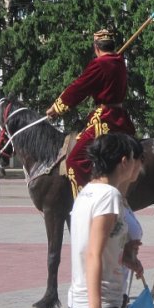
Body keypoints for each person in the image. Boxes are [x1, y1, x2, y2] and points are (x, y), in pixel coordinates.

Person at [46, 28, 135, 198]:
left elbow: (79, 87)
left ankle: (89, 200)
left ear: (96, 47)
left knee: (75, 160)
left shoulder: (100, 64)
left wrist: (56, 108)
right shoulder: (119, 61)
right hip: (121, 116)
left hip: (106, 119)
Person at [68, 132, 144, 308]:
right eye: (135, 159)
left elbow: (90, 245)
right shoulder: (109, 195)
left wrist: (124, 257)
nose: (138, 165)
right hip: (101, 301)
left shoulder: (87, 191)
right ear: (124, 161)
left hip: (82, 297)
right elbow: (93, 253)